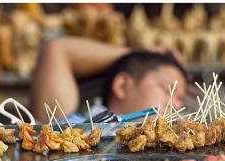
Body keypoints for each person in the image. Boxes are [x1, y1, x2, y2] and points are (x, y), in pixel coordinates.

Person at [31, 36, 190, 124]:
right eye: (169, 89)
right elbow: (57, 50)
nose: (177, 106)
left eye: (180, 100)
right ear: (123, 85)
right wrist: (138, 55)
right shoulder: (69, 132)